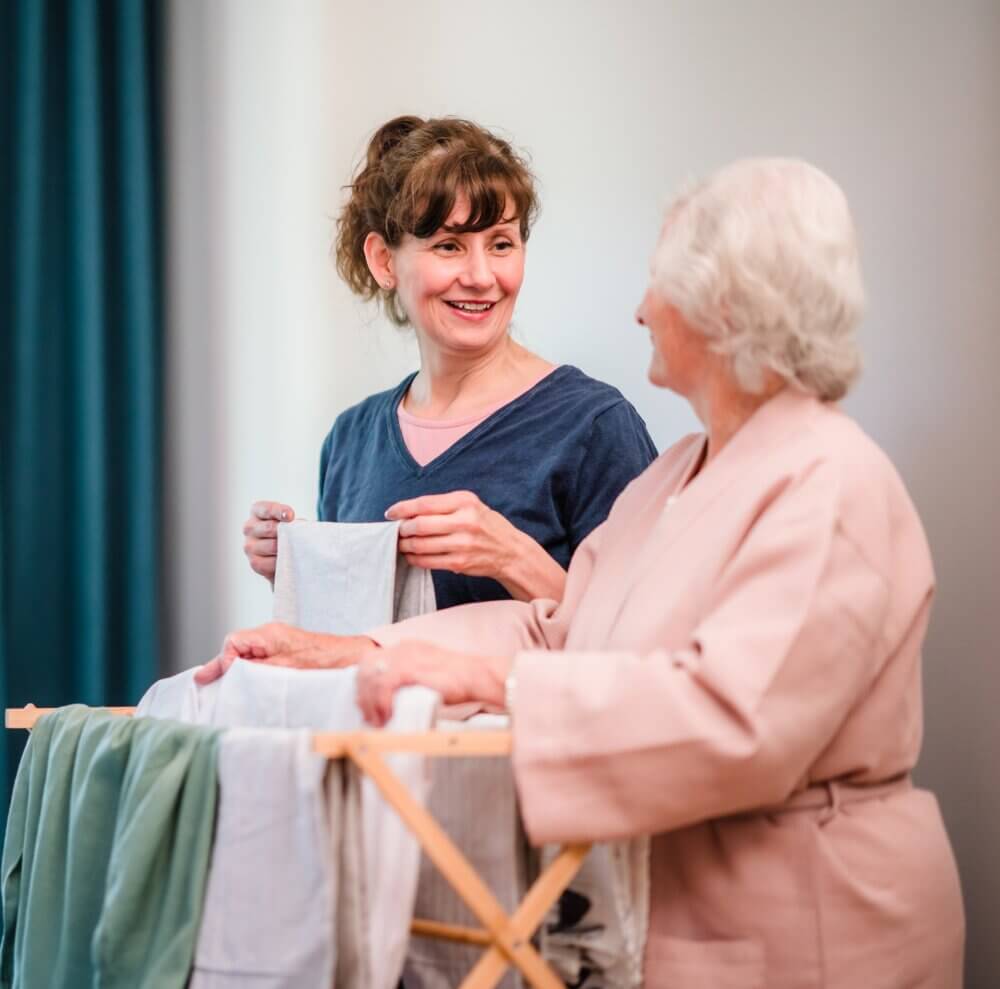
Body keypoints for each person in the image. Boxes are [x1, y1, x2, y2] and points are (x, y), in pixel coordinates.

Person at [200, 157, 965, 987]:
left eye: (658, 285)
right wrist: (354, 652)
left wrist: (505, 690)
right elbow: (559, 627)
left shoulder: (830, 480)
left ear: (728, 307)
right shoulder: (681, 472)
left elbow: (733, 722)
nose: (639, 309)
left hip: (814, 922)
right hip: (680, 908)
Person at [241, 115, 656, 609]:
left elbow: (645, 643)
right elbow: (355, 644)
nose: (482, 276)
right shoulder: (350, 442)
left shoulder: (593, 427)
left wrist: (511, 558)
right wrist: (301, 568)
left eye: (501, 244)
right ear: (384, 261)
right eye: (449, 246)